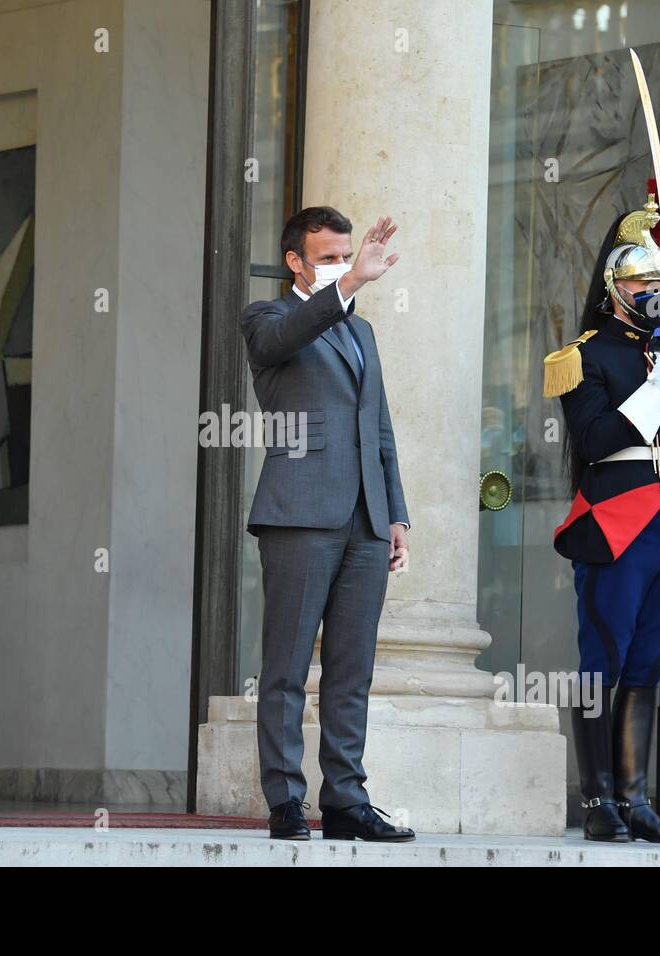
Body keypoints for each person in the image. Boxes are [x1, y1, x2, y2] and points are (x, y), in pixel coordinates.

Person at [543, 196, 660, 844]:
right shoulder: (584, 357)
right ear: (616, 290)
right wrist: (654, 391)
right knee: (605, 660)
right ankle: (597, 802)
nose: (653, 294)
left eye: (658, 284)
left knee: (645, 662)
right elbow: (593, 439)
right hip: (615, 522)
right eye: (642, 283)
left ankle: (635, 798)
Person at [241, 207, 414, 842]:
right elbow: (282, 342)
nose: (345, 265)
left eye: (349, 254)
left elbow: (380, 426)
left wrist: (396, 512)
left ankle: (345, 798)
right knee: (286, 665)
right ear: (295, 261)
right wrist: (348, 286)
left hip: (365, 519)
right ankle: (286, 799)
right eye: (331, 257)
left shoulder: (362, 332)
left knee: (351, 668)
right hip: (299, 513)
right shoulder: (267, 317)